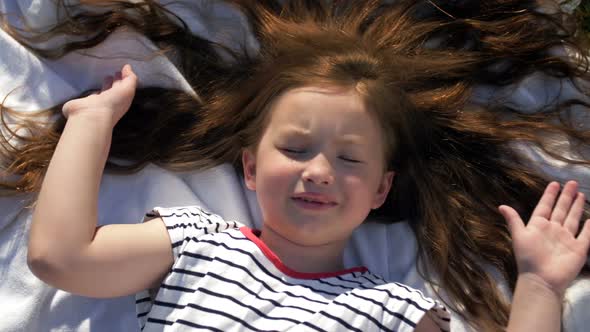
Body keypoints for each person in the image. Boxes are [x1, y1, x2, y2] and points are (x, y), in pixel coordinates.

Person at [2, 0, 590, 330]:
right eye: (296, 148)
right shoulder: (198, 245)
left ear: (382, 189)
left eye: (350, 157)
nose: (320, 170)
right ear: (250, 169)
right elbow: (61, 256)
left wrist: (539, 285)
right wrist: (90, 123)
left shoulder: (395, 309)